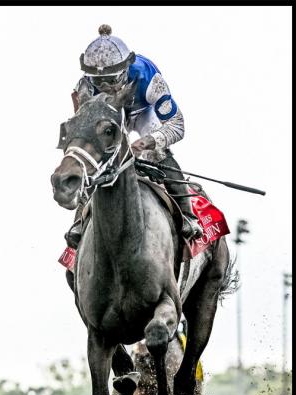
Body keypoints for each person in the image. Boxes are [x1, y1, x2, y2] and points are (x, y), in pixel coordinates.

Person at [64, 24, 203, 249]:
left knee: (155, 150)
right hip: (107, 114)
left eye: (111, 79)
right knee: (95, 154)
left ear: (126, 69)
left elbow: (177, 125)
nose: (105, 86)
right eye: (99, 81)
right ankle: (80, 220)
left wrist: (149, 141)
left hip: (142, 113)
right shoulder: (86, 87)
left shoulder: (149, 78)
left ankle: (188, 215)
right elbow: (84, 133)